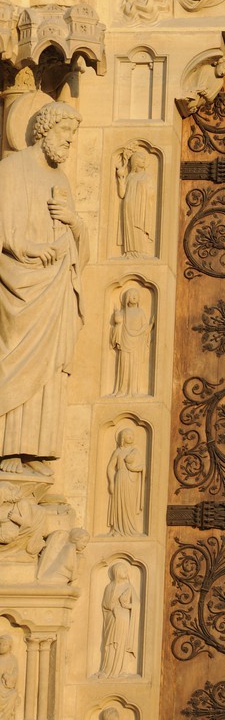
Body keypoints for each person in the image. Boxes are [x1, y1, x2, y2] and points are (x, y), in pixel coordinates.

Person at [0, 102, 83, 472]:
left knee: (49, 369)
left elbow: (73, 235)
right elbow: (3, 227)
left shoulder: (61, 179)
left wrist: (74, 221)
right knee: (14, 356)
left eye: (73, 134)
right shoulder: (12, 168)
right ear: (46, 129)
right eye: (66, 132)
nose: (69, 140)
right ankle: (8, 449)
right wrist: (30, 248)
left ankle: (34, 449)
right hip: (21, 283)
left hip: (55, 283)